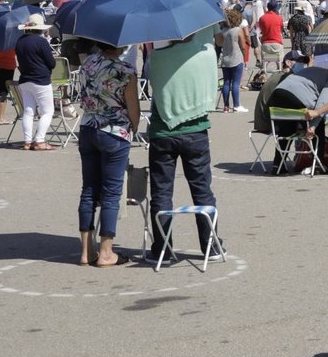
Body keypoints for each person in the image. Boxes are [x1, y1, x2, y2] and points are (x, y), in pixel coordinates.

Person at [145, 28, 220, 266]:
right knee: (202, 189)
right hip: (195, 128)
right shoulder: (206, 53)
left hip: (163, 129)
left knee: (161, 192)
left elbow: (154, 87)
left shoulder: (156, 57)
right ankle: (211, 246)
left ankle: (163, 250)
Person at [76, 41, 140, 267]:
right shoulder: (125, 70)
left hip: (88, 126)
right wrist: (135, 125)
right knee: (112, 192)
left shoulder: (88, 64)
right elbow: (133, 106)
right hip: (114, 131)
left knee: (89, 190)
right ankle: (106, 252)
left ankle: (86, 250)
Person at [15, 13, 57, 150]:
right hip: (40, 79)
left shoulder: (20, 41)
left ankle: (27, 141)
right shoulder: (41, 42)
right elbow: (51, 63)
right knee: (47, 111)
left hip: (25, 79)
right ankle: (39, 140)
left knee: (28, 111)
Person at [216, 9, 249, 113]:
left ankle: (226, 106)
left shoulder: (223, 31)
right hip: (236, 58)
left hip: (225, 59)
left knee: (226, 82)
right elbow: (243, 46)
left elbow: (219, 44)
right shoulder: (237, 30)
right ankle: (236, 105)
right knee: (235, 83)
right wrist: (244, 58)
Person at [257, 0, 285, 71]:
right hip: (277, 42)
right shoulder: (279, 18)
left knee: (265, 62)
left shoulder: (262, 18)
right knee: (279, 61)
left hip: (265, 43)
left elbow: (261, 29)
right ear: (275, 9)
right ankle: (279, 72)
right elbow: (281, 29)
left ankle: (263, 73)